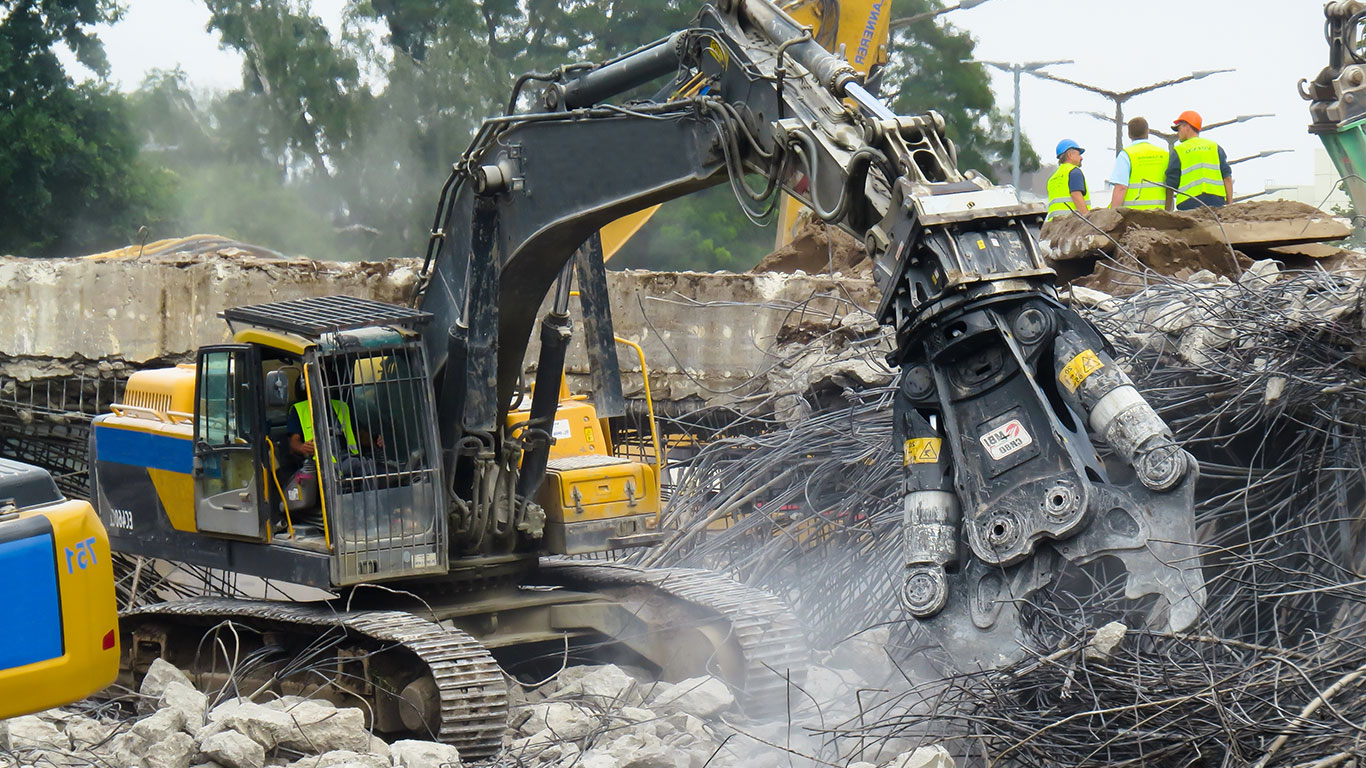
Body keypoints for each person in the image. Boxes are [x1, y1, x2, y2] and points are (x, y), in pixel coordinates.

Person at [1164, 110, 1234, 211]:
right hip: (1216, 202)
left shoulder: (1179, 150)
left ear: (1187, 126)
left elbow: (1171, 184)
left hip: (1188, 202)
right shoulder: (1214, 147)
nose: (1177, 133)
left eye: (1178, 128)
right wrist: (1230, 205)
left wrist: (1167, 211)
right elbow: (1227, 177)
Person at [1108, 117, 1170, 210]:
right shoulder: (1164, 154)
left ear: (1129, 134)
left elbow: (1121, 187)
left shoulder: (1126, 155)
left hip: (1133, 216)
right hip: (1159, 215)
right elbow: (1170, 186)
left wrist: (1112, 215)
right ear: (1147, 132)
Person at [1046, 139, 1090, 221]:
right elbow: (1076, 195)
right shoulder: (1073, 171)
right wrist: (1087, 219)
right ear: (1070, 154)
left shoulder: (1053, 178)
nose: (1081, 157)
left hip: (1054, 226)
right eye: (1079, 154)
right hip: (1071, 224)